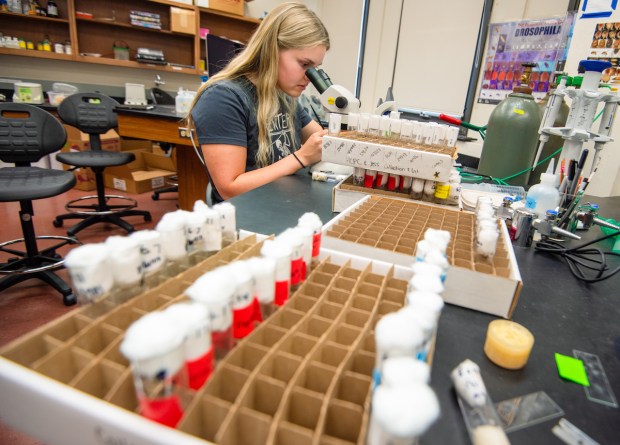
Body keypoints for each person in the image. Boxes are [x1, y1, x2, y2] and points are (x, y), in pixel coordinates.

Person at [187, 2, 330, 204]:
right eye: (305, 64)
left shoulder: (282, 94)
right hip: (250, 218)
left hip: (282, 202)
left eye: (316, 68)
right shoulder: (223, 98)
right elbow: (230, 188)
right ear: (271, 50)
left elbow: (321, 141)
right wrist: (302, 158)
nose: (310, 77)